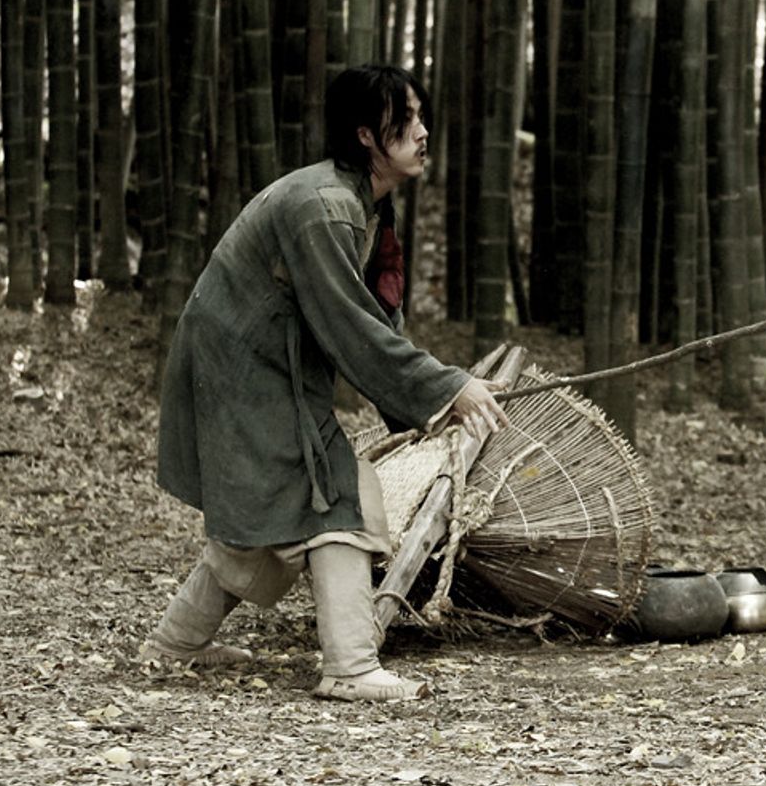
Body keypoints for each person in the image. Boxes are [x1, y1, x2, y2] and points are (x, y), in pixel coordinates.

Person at [141, 65, 507, 701]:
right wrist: (445, 388)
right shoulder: (325, 207)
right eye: (407, 120)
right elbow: (350, 324)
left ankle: (176, 643)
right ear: (366, 135)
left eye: (422, 117)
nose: (423, 132)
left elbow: (374, 316)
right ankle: (350, 667)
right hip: (241, 365)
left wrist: (435, 393)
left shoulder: (362, 203)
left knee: (281, 500)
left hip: (261, 362)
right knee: (335, 492)